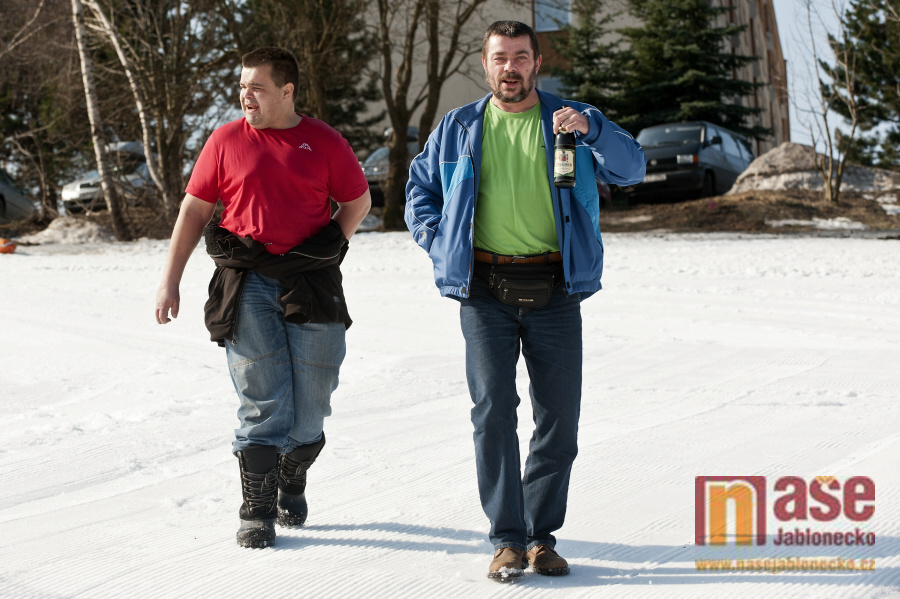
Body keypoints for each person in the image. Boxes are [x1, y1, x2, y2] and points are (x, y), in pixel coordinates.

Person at [405, 21, 645, 580]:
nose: (509, 67)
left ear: (537, 62)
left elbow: (632, 169)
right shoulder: (460, 127)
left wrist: (593, 129)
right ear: (485, 64)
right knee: (493, 411)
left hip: (556, 288)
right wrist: (439, 240)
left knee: (559, 417)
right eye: (499, 57)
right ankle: (507, 538)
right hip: (483, 288)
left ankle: (541, 537)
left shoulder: (571, 120)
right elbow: (420, 190)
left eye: (519, 56)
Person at [155, 47, 371, 549]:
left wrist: (326, 249)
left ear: (287, 91)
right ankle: (256, 509)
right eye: (242, 86)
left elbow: (357, 201)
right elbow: (194, 210)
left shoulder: (324, 141)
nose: (245, 96)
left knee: (313, 403)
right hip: (247, 280)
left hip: (310, 283)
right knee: (262, 398)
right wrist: (170, 279)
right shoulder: (226, 140)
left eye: (256, 87)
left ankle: (291, 473)